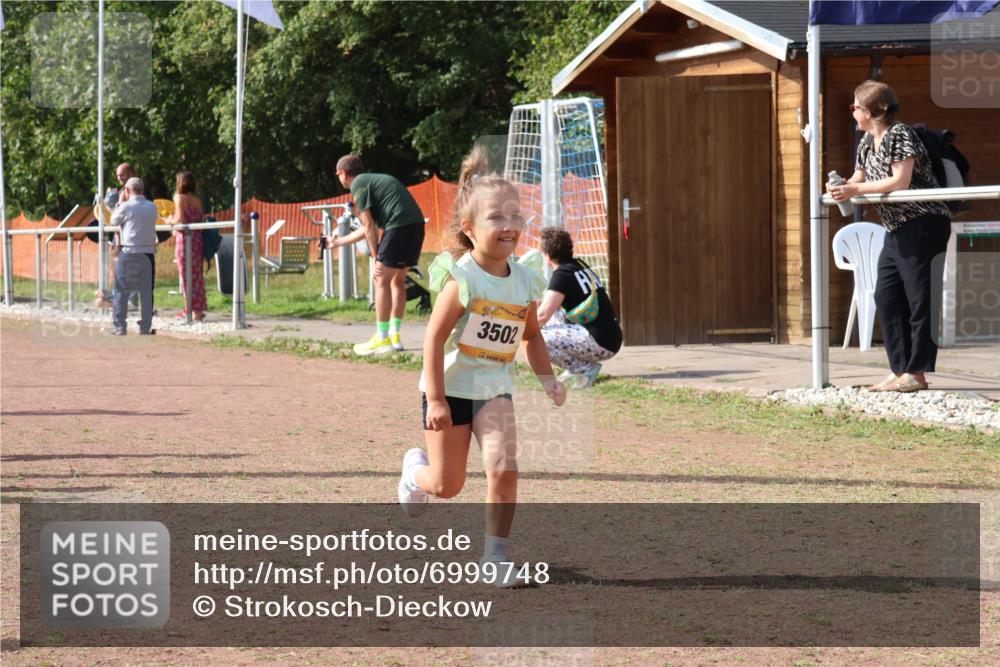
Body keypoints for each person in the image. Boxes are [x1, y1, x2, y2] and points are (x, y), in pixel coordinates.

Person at [396, 147, 566, 586]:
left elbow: (530, 334)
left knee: (504, 468)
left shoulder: (526, 276)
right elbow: (433, 339)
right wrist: (434, 398)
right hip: (450, 390)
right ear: (468, 230)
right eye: (495, 217)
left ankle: (495, 558)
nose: (509, 224)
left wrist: (548, 380)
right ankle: (414, 470)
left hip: (493, 388)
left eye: (515, 215)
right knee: (446, 486)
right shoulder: (463, 278)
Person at [828, 80, 952, 393]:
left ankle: (916, 372)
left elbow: (900, 179)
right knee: (886, 296)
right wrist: (841, 186)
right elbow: (858, 178)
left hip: (924, 223)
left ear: (872, 110)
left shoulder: (900, 134)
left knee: (919, 300)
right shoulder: (866, 141)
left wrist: (855, 189)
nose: (852, 111)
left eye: (855, 106)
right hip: (896, 228)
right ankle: (900, 370)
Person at [324, 155, 426, 355]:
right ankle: (394, 336)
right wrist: (336, 242)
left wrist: (375, 255)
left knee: (380, 279)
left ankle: (382, 338)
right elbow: (366, 227)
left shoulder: (358, 184)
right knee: (397, 280)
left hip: (398, 226)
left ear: (343, 173)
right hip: (416, 226)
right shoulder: (374, 181)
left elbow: (369, 225)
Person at [536, 229, 622, 388]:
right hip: (610, 336)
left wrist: (519, 329)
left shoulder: (562, 275)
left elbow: (542, 316)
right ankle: (579, 366)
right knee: (552, 318)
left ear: (547, 256)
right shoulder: (578, 265)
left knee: (539, 339)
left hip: (601, 342)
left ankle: (583, 369)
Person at [108, 177, 157, 335]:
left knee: (122, 289)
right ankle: (145, 326)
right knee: (146, 290)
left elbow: (113, 221)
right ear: (142, 190)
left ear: (127, 191)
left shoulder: (126, 207)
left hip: (129, 252)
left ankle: (119, 325)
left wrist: (119, 203)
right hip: (148, 254)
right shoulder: (152, 207)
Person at [169, 171, 207, 321]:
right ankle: (198, 309)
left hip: (184, 239)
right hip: (198, 239)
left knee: (185, 275)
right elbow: (200, 218)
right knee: (197, 275)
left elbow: (180, 219)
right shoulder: (197, 199)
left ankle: (189, 309)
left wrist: (169, 221)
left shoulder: (179, 198)